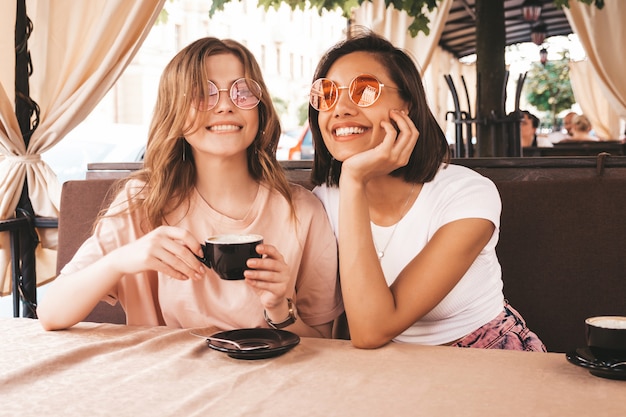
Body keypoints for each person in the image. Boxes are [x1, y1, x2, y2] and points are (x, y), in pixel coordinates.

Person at [38, 37, 343, 337]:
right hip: (167, 381)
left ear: (260, 110)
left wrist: (279, 308)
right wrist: (123, 259)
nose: (225, 105)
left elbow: (325, 340)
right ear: (175, 113)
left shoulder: (302, 210)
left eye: (242, 92)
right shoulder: (141, 202)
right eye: (202, 94)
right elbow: (51, 312)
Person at [309, 30, 545, 351]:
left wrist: (352, 178)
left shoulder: (468, 193)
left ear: (406, 104)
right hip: (387, 367)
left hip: (484, 358)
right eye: (328, 94)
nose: (340, 109)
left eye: (364, 91)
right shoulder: (321, 202)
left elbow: (371, 330)